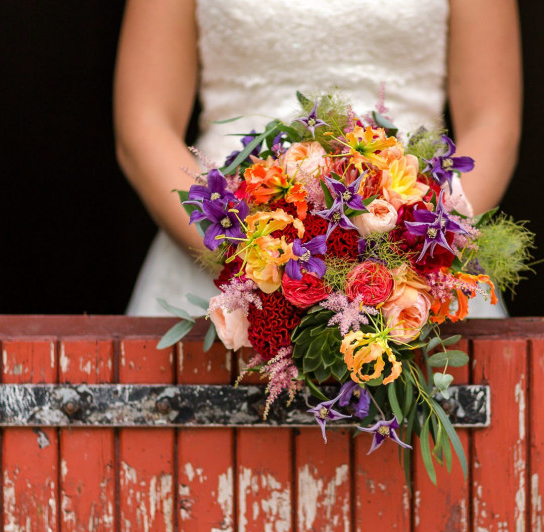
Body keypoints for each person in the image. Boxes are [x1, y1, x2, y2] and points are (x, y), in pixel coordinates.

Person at [116, 0, 522, 317]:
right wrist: (256, 263)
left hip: (417, 262)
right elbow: (144, 124)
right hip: (221, 255)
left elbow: (493, 122)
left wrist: (414, 260)